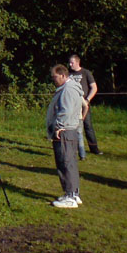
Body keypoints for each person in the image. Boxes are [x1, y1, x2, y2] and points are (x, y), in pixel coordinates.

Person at [46, 64, 84, 208]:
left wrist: (59, 127)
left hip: (65, 131)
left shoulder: (68, 90)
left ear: (62, 75)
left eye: (54, 77)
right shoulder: (71, 88)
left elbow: (66, 111)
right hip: (70, 130)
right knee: (70, 162)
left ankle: (70, 196)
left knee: (65, 163)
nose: (53, 80)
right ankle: (74, 192)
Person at [68, 54, 103, 155]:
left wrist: (87, 100)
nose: (70, 64)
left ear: (77, 62)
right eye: (69, 62)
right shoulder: (68, 74)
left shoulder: (86, 73)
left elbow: (94, 88)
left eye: (72, 62)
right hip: (71, 105)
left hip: (83, 104)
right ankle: (73, 148)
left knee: (87, 126)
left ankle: (94, 148)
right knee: (72, 127)